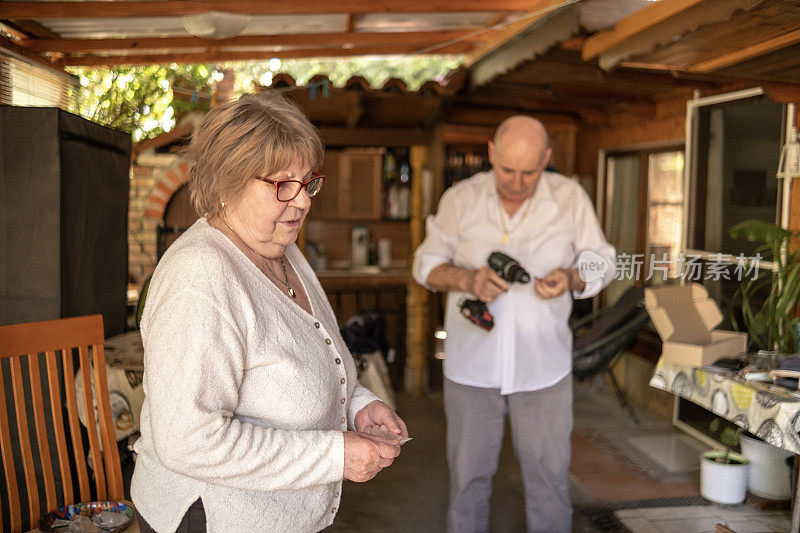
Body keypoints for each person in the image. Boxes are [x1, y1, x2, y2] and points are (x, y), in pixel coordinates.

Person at [131, 92, 408, 533]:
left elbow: (307, 358)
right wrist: (335, 455)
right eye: (282, 185)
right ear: (227, 184)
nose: (302, 202)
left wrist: (358, 404)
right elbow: (187, 440)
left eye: (307, 183)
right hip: (213, 518)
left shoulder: (282, 250)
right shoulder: (200, 278)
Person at [412, 116, 615, 532]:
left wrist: (572, 277)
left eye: (530, 172)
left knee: (549, 484)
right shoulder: (461, 198)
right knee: (467, 482)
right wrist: (467, 278)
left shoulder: (569, 197)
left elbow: (604, 261)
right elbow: (425, 264)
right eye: (507, 170)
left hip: (544, 368)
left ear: (547, 159)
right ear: (491, 153)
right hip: (472, 366)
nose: (518, 183)